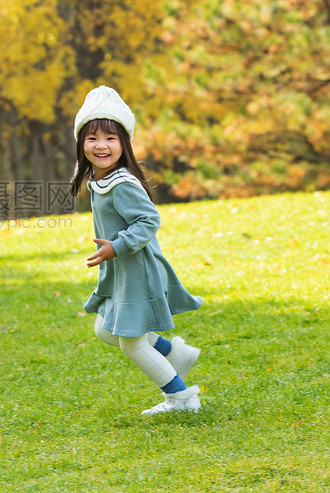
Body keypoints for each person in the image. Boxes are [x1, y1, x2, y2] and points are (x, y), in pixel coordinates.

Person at [70, 86, 204, 415]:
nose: (101, 145)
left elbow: (148, 220)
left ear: (124, 144)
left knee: (131, 341)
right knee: (105, 328)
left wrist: (117, 246)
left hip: (137, 270)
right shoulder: (101, 181)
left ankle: (181, 399)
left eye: (110, 138)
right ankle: (175, 355)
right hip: (122, 272)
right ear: (81, 143)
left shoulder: (121, 183)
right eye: (92, 138)